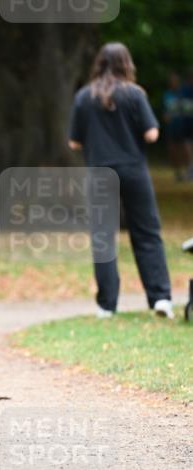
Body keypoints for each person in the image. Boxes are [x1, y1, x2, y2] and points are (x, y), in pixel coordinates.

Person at [69, 41, 174, 320]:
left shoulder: (83, 97)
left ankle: (107, 305)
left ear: (99, 64)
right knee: (147, 233)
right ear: (127, 64)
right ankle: (160, 297)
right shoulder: (135, 94)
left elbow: (74, 141)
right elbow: (152, 134)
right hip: (133, 170)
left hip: (99, 172)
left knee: (103, 239)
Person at [162, 71, 191, 182]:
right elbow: (165, 110)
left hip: (182, 126)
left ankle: (189, 170)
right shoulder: (167, 95)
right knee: (173, 150)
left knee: (185, 148)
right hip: (171, 127)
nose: (173, 83)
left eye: (175, 81)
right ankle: (178, 173)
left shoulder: (183, 93)